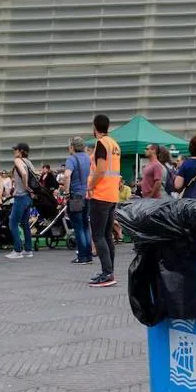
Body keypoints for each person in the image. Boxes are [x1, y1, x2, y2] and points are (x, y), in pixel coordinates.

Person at [86, 114, 121, 287]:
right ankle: (109, 270)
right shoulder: (114, 144)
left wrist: (90, 185)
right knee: (107, 235)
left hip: (100, 194)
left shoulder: (101, 143)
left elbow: (100, 169)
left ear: (95, 127)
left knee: (98, 235)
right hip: (112, 194)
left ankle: (107, 274)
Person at [65, 137, 93, 265]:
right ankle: (88, 255)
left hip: (75, 195)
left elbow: (67, 175)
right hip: (86, 194)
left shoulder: (71, 159)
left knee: (78, 227)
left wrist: (66, 191)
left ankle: (81, 256)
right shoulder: (88, 158)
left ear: (72, 147)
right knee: (85, 225)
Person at [6, 142, 36, 260]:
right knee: (25, 223)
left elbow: (23, 173)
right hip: (28, 197)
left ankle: (17, 249)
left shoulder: (18, 161)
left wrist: (24, 185)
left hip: (21, 196)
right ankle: (28, 250)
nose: (14, 152)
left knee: (12, 222)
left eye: (16, 150)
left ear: (21, 151)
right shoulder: (29, 162)